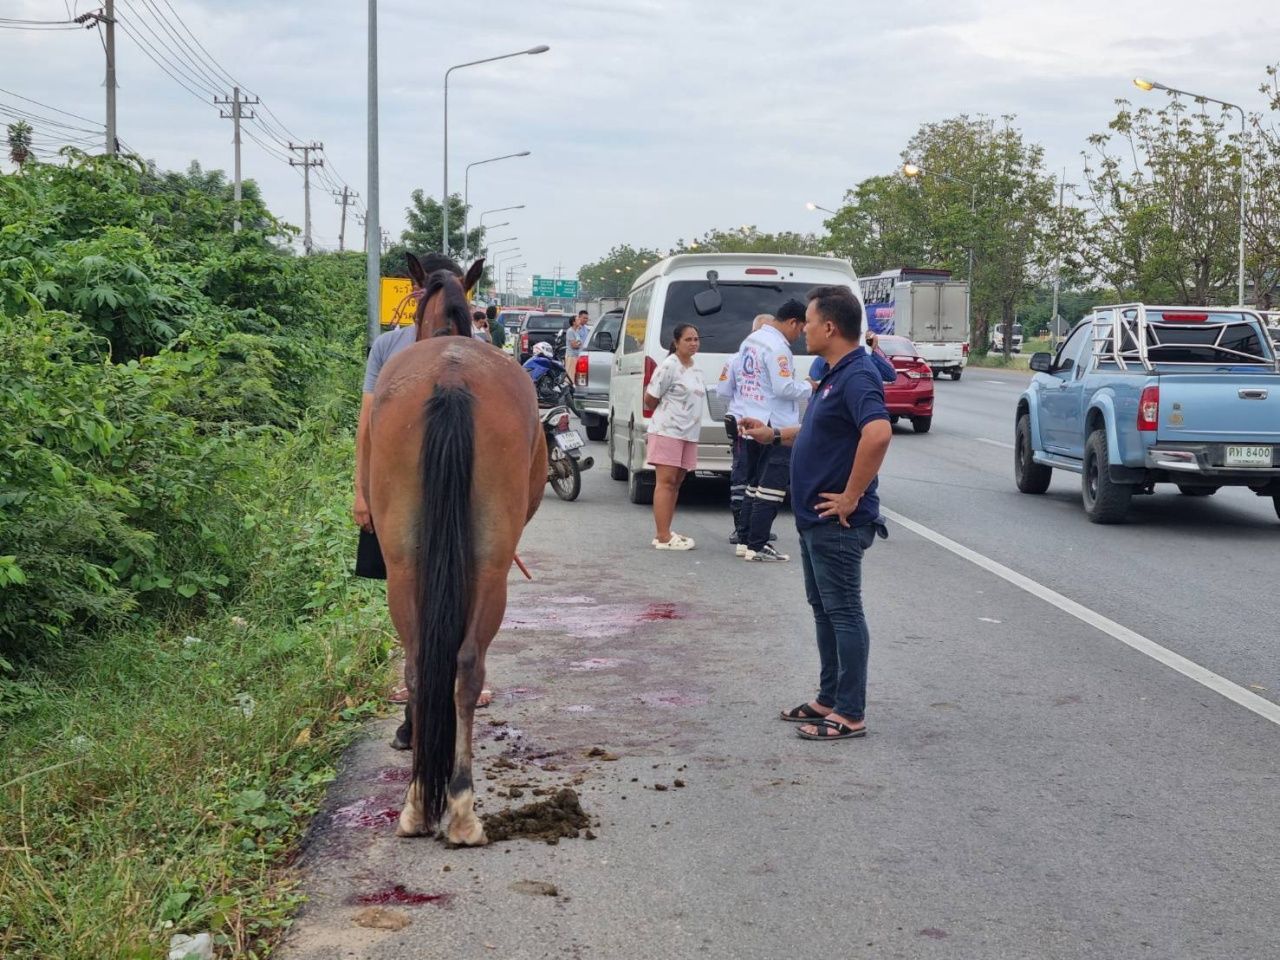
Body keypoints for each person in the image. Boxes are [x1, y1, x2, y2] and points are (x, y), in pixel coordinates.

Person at [740, 286, 893, 741]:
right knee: (825, 611)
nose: (802, 329)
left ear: (829, 327)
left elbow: (878, 433)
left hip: (836, 521)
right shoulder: (833, 371)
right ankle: (828, 698)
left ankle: (850, 712)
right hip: (813, 519)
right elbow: (817, 430)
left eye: (808, 322)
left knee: (843, 612)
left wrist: (850, 496)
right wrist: (772, 435)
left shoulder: (858, 374)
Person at [352, 253, 494, 708]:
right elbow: (368, 422)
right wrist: (361, 490)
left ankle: (434, 673)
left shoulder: (479, 356)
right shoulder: (390, 347)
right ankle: (429, 673)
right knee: (422, 574)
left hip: (435, 486)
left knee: (427, 573)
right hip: (409, 484)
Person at [731, 298, 811, 562]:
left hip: (752, 419)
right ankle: (758, 544)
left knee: (753, 485)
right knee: (771, 489)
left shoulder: (751, 341)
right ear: (793, 322)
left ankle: (745, 540)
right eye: (801, 328)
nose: (801, 335)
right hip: (776, 425)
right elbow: (783, 387)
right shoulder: (778, 347)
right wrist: (810, 386)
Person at [644, 324, 705, 550]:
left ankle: (666, 531)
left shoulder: (695, 368)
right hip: (668, 431)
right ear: (677, 342)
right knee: (666, 482)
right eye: (688, 339)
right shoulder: (669, 365)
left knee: (677, 482)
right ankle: (662, 537)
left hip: (689, 433)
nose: (693, 343)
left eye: (696, 339)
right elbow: (650, 398)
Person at [717, 314, 770, 543]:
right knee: (755, 477)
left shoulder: (736, 359)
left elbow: (722, 391)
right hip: (763, 426)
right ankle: (744, 527)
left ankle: (748, 527)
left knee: (746, 476)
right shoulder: (776, 357)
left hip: (747, 426)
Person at [809, 329, 897, 384]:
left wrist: (875, 348)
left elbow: (890, 375)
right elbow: (814, 395)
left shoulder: (863, 359)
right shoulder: (821, 362)